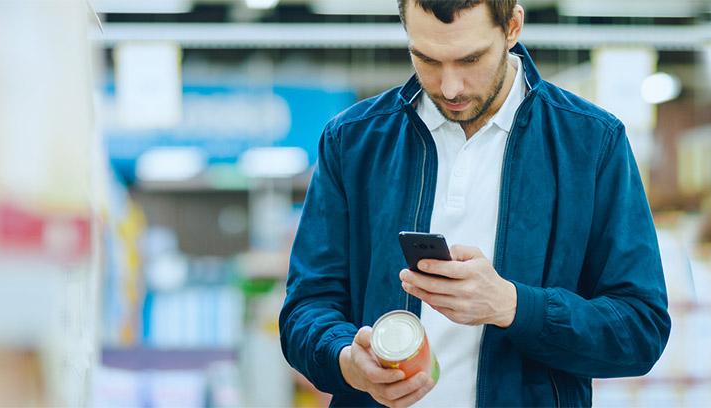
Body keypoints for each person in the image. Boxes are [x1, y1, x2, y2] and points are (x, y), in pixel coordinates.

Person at [279, 0, 671, 406]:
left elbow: (640, 329)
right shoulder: (352, 141)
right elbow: (305, 309)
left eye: (470, 59)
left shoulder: (591, 143)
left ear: (513, 27)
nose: (450, 88)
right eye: (426, 59)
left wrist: (514, 306)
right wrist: (346, 360)